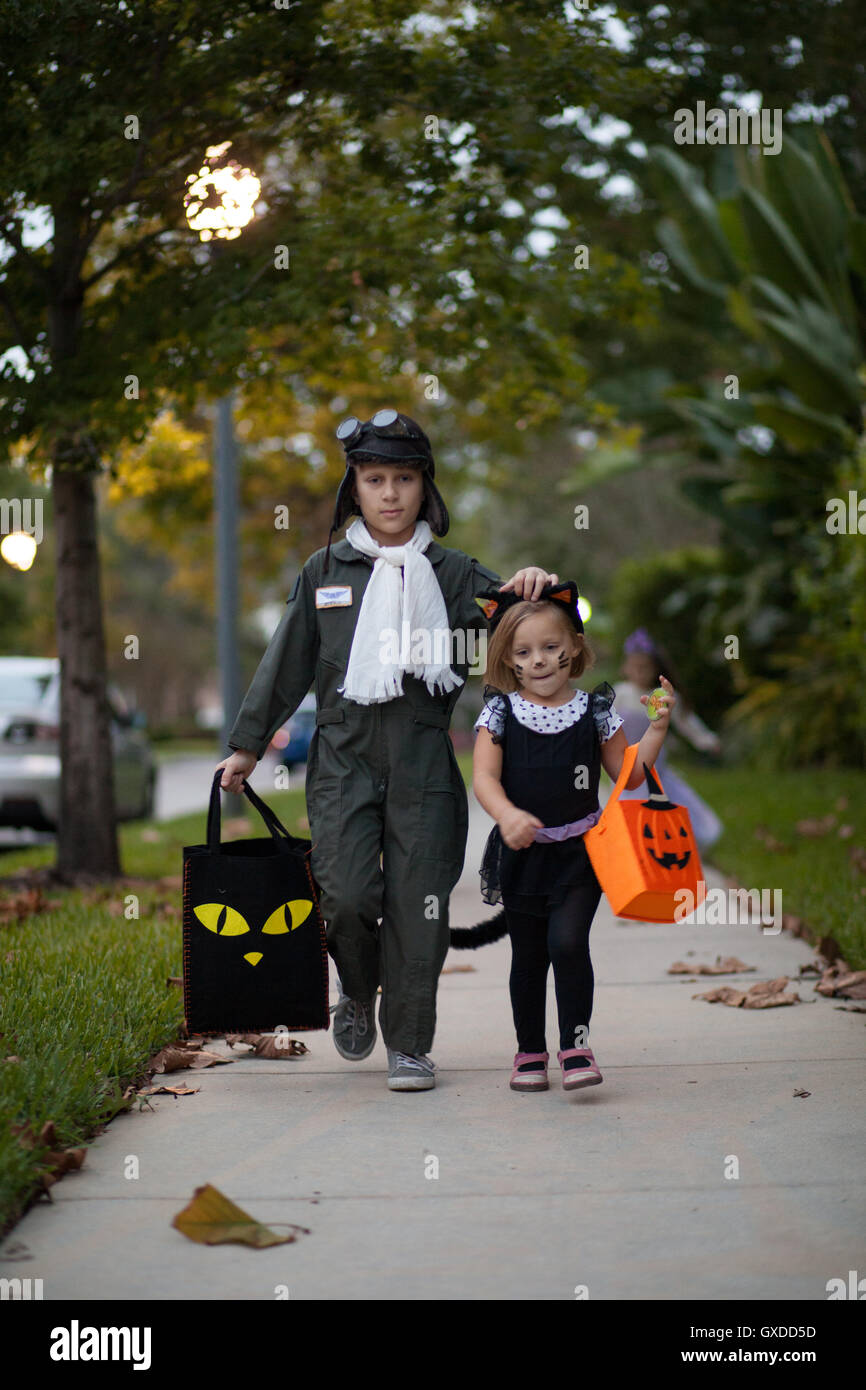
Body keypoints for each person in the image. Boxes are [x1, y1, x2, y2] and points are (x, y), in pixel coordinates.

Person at [215, 408, 560, 1092]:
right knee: (342, 896)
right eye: (375, 479)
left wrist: (534, 584)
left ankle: (409, 1044)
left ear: (424, 488)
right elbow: (286, 663)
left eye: (404, 478)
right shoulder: (325, 571)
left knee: (419, 906)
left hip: (425, 759)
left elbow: (537, 627)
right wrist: (247, 746)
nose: (391, 493)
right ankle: (356, 983)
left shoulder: (456, 573)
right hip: (343, 759)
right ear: (356, 489)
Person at [471, 582, 676, 1094]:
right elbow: (484, 779)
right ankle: (529, 1052)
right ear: (508, 660)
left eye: (550, 648)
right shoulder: (499, 713)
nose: (538, 660)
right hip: (522, 855)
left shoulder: (595, 710)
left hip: (581, 854)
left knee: (568, 943)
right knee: (528, 956)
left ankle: (576, 1044)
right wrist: (507, 814)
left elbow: (627, 777)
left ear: (574, 649)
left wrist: (655, 730)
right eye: (523, 652)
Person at [613, 628, 722, 850]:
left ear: (655, 668)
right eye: (635, 666)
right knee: (632, 808)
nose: (640, 671)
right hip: (629, 765)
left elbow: (686, 722)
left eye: (645, 666)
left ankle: (665, 844)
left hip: (655, 766)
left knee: (664, 803)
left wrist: (707, 740)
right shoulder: (620, 693)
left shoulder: (660, 696)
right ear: (626, 667)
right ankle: (640, 847)